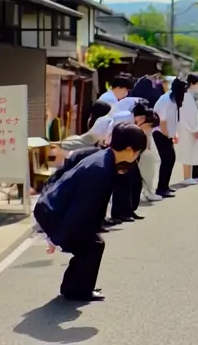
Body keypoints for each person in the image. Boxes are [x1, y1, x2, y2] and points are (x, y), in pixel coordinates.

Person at [33, 122, 147, 302]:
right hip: (55, 213)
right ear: (129, 150)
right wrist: (55, 237)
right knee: (92, 246)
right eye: (139, 151)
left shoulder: (104, 158)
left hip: (54, 207)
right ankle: (76, 290)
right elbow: (79, 209)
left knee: (92, 244)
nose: (138, 156)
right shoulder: (100, 170)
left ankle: (74, 287)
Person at [152, 78, 185, 198]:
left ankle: (165, 186)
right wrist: (168, 135)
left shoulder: (174, 100)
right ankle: (161, 188)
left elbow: (173, 119)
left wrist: (174, 133)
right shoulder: (166, 100)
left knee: (170, 159)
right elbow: (163, 121)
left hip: (167, 133)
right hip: (160, 132)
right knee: (168, 159)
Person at [176, 74, 198, 185]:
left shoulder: (192, 96)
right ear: (191, 84)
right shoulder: (186, 97)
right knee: (188, 152)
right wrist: (193, 129)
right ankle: (187, 177)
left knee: (193, 152)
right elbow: (186, 116)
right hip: (189, 129)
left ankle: (191, 175)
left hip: (193, 128)